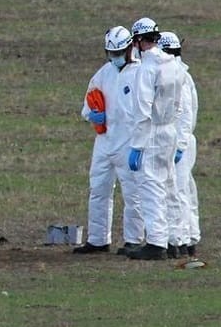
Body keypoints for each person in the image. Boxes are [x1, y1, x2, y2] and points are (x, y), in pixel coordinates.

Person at [75, 26, 142, 254]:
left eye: (119, 52)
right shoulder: (103, 73)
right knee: (98, 189)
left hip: (129, 141)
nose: (115, 58)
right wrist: (93, 115)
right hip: (104, 140)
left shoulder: (142, 74)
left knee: (132, 192)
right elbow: (88, 104)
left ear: (131, 47)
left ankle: (133, 240)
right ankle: (98, 239)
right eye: (111, 54)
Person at [126, 17, 188, 260]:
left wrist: (137, 146)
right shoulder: (173, 65)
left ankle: (156, 242)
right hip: (170, 129)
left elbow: (142, 111)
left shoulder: (147, 69)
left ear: (140, 41)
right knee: (169, 185)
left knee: (150, 186)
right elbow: (180, 105)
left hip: (152, 133)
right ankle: (176, 240)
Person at [160, 31, 199, 256]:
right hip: (180, 139)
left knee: (178, 190)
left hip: (179, 140)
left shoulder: (178, 77)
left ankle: (180, 239)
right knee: (185, 189)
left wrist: (180, 146)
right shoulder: (180, 73)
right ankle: (190, 235)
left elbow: (184, 115)